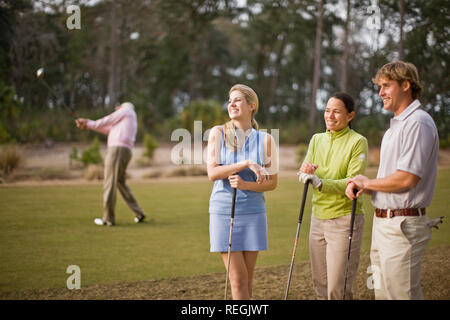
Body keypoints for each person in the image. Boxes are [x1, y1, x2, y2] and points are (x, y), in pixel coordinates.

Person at [346, 61, 439, 300]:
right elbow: (391, 180)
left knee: (401, 295)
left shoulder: (417, 122)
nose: (380, 93)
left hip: (402, 226)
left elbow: (407, 179)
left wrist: (367, 183)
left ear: (406, 85)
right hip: (385, 225)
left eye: (386, 86)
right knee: (384, 294)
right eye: (380, 86)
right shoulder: (394, 128)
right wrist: (364, 187)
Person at [207, 84, 278, 300]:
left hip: (253, 212)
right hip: (223, 211)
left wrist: (246, 185)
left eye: (237, 100)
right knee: (237, 280)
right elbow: (213, 172)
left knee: (247, 280)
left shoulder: (266, 139)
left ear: (251, 106)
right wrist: (246, 163)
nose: (232, 104)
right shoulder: (217, 133)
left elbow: (272, 183)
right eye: (230, 101)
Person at [298, 92, 368, 300]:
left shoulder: (358, 142)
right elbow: (307, 169)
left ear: (350, 116)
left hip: (345, 218)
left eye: (337, 112)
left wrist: (320, 183)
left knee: (337, 289)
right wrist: (306, 172)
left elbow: (353, 181)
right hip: (317, 217)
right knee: (320, 285)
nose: (330, 116)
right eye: (327, 111)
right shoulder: (316, 139)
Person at [75, 102, 146, 226]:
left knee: (109, 181)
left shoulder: (127, 110)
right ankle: (139, 213)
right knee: (119, 182)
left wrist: (89, 122)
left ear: (122, 107)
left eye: (117, 107)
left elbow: (108, 119)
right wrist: (88, 125)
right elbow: (108, 129)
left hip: (116, 150)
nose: (115, 109)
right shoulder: (126, 120)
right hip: (125, 151)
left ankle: (108, 219)